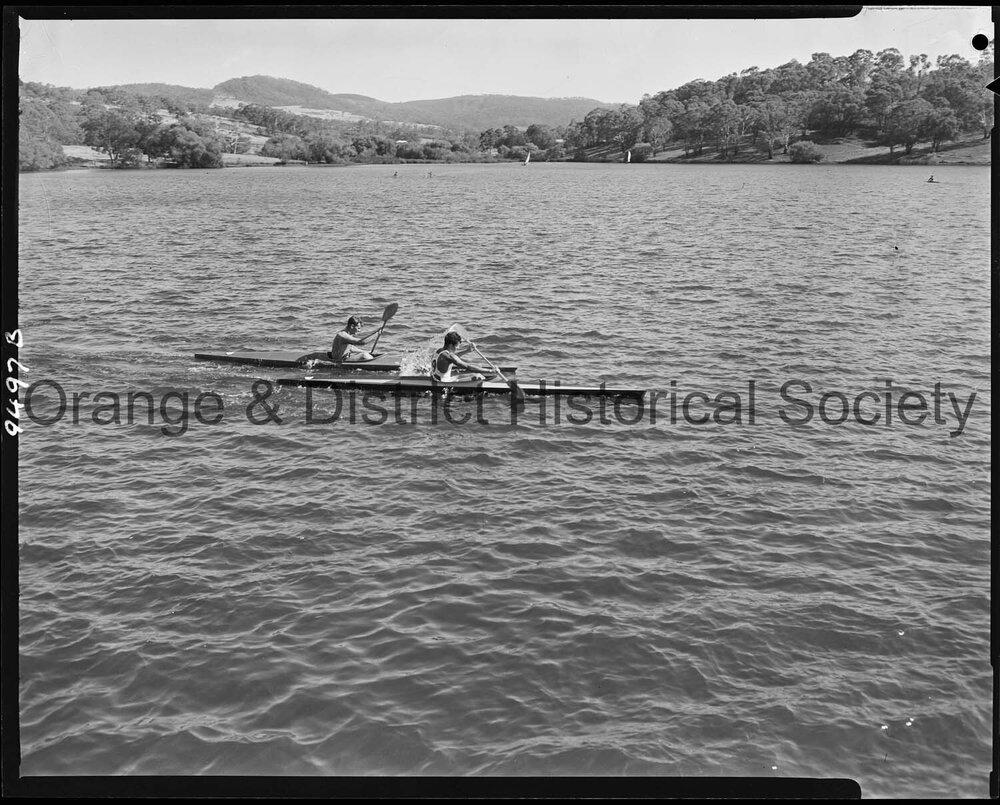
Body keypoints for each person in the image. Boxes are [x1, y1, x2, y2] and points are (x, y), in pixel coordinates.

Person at [429, 331, 494, 381]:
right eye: (457, 346)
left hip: (436, 379)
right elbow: (468, 367)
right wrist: (490, 371)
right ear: (451, 345)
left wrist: (467, 351)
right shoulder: (449, 356)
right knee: (478, 376)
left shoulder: (439, 351)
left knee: (477, 371)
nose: (458, 348)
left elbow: (452, 357)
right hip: (444, 382)